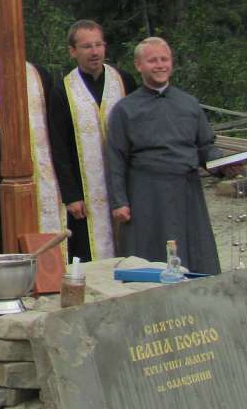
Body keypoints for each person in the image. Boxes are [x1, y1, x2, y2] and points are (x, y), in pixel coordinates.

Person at [105, 38, 224, 274]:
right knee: (149, 260)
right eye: (152, 60)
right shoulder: (124, 109)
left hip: (186, 190)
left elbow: (205, 147)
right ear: (139, 65)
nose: (160, 65)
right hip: (147, 193)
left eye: (164, 59)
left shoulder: (189, 104)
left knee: (194, 256)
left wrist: (223, 164)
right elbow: (116, 158)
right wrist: (119, 202)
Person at [0, 16, 64, 255]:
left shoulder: (41, 76)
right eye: (4, 38)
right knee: (1, 243)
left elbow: (56, 131)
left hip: (44, 179)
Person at [47, 20, 138, 262]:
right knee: (88, 253)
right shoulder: (63, 91)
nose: (95, 52)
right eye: (87, 46)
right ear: (73, 51)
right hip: (85, 190)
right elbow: (59, 147)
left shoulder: (124, 81)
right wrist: (71, 194)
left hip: (126, 183)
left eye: (99, 45)